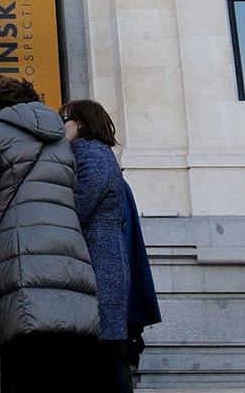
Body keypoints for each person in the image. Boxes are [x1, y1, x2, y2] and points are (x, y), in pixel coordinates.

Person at [0, 75, 99, 393]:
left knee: (23, 367)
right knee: (61, 370)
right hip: (69, 262)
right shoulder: (60, 141)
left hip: (21, 262)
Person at [62, 98, 136, 392]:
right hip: (103, 265)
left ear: (79, 123)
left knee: (105, 360)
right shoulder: (97, 155)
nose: (61, 125)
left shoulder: (91, 156)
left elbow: (78, 208)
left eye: (64, 118)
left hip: (100, 268)